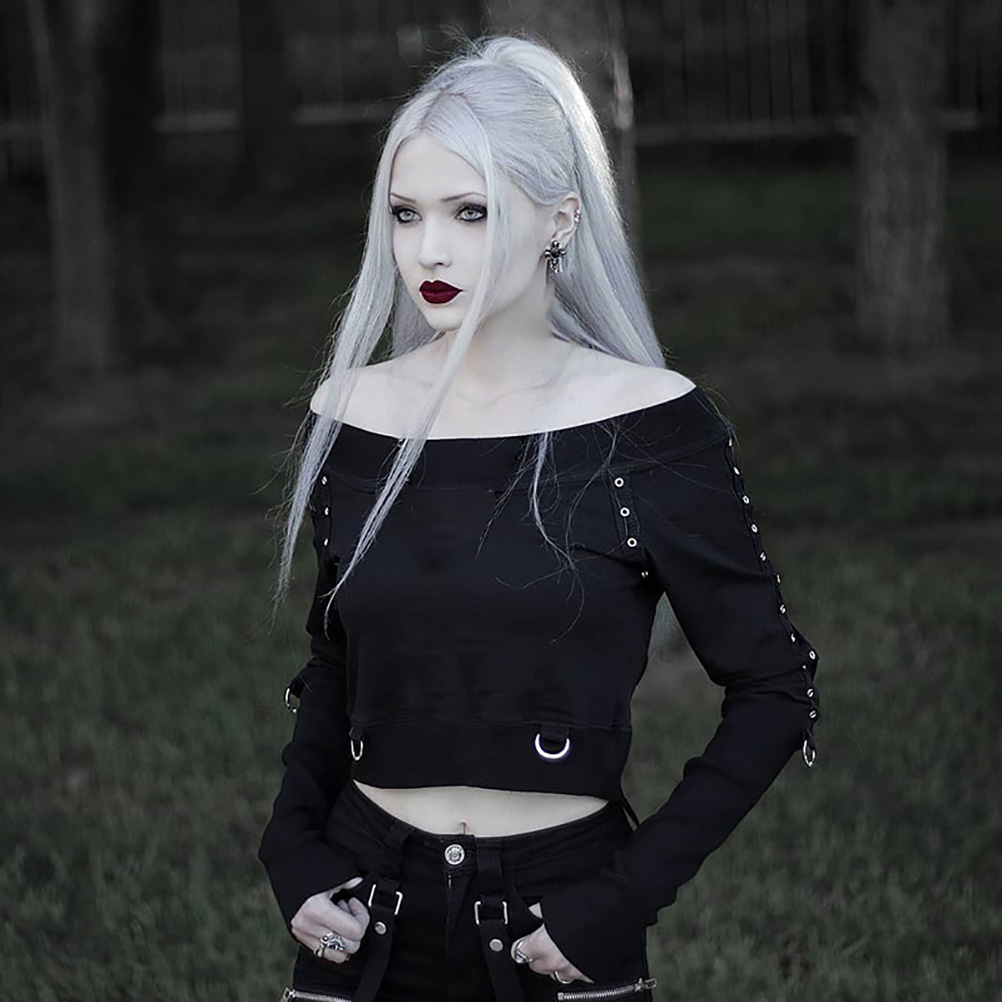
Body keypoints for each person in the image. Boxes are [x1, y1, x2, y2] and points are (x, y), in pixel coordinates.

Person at [258, 32, 820, 1002]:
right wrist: (293, 853)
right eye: (405, 214)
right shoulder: (353, 412)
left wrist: (622, 900)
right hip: (361, 914)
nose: (429, 250)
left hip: (556, 922)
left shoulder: (652, 427)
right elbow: (338, 661)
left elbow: (775, 686)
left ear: (560, 220)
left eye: (471, 212)